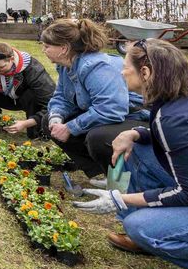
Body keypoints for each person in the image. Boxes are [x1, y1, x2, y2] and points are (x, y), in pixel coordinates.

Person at [74, 40, 188, 269]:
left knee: (140, 227)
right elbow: (184, 144)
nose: (122, 72)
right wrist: (136, 133)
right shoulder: (185, 101)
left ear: (145, 73)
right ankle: (147, 238)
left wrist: (120, 199)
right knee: (139, 149)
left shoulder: (173, 118)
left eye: (126, 67)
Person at [40, 19, 148, 185]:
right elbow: (62, 97)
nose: (43, 50)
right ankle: (101, 172)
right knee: (48, 121)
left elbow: (111, 109)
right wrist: (56, 117)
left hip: (136, 115)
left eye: (47, 46)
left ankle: (125, 181)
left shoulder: (96, 67)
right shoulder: (66, 66)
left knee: (98, 137)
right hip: (112, 114)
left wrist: (70, 127)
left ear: (64, 48)